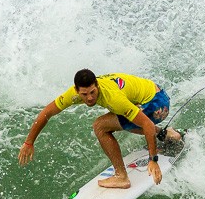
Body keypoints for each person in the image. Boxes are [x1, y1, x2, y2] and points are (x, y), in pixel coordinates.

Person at [18, 69, 183, 188]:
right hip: (153, 95)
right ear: (76, 91)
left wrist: (153, 160)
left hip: (157, 103)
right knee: (124, 120)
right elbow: (47, 111)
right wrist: (29, 142)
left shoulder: (113, 98)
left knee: (101, 126)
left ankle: (121, 177)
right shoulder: (73, 94)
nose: (89, 98)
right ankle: (168, 134)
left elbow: (146, 123)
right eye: (84, 94)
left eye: (92, 92)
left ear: (97, 85)